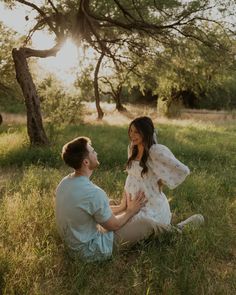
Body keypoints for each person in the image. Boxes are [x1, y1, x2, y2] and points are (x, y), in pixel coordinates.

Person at [55, 136, 163, 262]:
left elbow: (91, 210)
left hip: (74, 244)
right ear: (86, 162)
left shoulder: (65, 182)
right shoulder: (94, 193)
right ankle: (177, 231)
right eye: (93, 151)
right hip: (90, 250)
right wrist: (130, 211)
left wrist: (122, 208)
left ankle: (129, 213)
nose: (96, 153)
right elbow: (114, 225)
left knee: (110, 204)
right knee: (146, 224)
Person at [124, 116, 204, 230]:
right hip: (131, 201)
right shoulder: (132, 148)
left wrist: (162, 179)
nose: (132, 135)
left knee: (141, 227)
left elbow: (183, 170)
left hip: (149, 203)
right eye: (131, 131)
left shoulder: (155, 151)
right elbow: (131, 175)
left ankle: (180, 227)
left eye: (136, 132)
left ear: (146, 133)